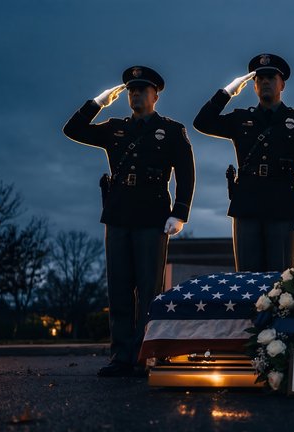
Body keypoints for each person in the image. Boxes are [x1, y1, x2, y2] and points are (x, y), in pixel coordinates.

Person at [63, 66, 195, 377]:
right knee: (119, 290)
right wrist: (97, 103)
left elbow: (186, 174)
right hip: (119, 215)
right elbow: (73, 129)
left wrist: (180, 212)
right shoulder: (114, 128)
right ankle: (121, 356)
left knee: (148, 290)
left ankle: (144, 355)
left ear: (155, 95)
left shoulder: (172, 131)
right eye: (131, 90)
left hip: (153, 216)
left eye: (142, 89)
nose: (135, 94)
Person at [193, 54, 294, 272]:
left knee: (280, 278)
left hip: (283, 205)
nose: (264, 82)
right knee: (246, 278)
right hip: (247, 205)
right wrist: (226, 93)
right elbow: (202, 122)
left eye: (271, 77)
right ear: (253, 86)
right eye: (259, 78)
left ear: (282, 84)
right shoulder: (241, 118)